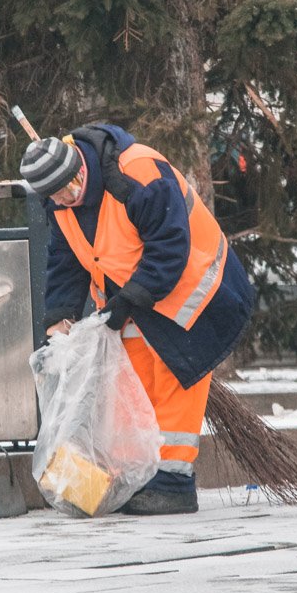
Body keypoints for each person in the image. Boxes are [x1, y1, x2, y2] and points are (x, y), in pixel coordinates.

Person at [20, 123, 255, 515]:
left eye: (71, 185)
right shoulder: (59, 204)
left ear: (81, 165)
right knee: (131, 387)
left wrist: (129, 299)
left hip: (194, 294)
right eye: (57, 194)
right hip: (133, 301)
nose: (68, 196)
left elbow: (170, 244)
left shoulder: (138, 172)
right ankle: (138, 476)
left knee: (174, 380)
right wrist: (60, 318)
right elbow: (66, 261)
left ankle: (173, 483)